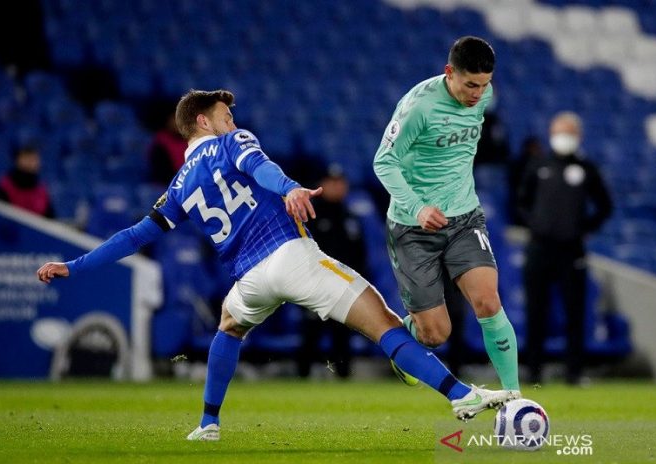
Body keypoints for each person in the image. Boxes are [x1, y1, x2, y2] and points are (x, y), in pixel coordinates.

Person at [37, 89, 516, 442]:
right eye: (225, 114)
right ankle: (460, 395)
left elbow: (135, 236)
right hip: (290, 257)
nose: (232, 119)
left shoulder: (179, 184)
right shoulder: (231, 142)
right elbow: (259, 165)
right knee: (385, 323)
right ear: (203, 121)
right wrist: (288, 187)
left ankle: (207, 424)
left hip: (249, 277)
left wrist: (74, 266)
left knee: (228, 327)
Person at [373, 36, 521, 395]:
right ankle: (406, 339)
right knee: (436, 333)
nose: (477, 94)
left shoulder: (485, 95)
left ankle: (515, 396)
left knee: (488, 301)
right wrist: (418, 207)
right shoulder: (418, 108)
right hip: (413, 226)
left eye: (484, 85)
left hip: (464, 217)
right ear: (448, 72)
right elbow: (383, 162)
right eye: (470, 84)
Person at [516, 111, 613, 385]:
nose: (563, 138)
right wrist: (534, 224)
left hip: (572, 251)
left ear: (578, 136)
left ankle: (574, 372)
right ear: (550, 133)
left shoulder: (586, 168)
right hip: (539, 249)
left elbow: (605, 205)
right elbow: (521, 201)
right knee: (536, 312)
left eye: (568, 132)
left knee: (574, 313)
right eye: (558, 132)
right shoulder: (538, 165)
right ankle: (533, 371)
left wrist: (584, 228)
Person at [297, 163, 365, 379]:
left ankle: (344, 379)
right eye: (332, 182)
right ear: (322, 184)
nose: (337, 186)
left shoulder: (350, 216)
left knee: (342, 335)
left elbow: (360, 255)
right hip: (315, 284)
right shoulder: (312, 214)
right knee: (311, 333)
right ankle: (302, 379)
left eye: (340, 182)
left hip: (344, 286)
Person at [0, 145, 55, 218]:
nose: (31, 162)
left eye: (34, 158)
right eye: (27, 157)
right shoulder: (3, 188)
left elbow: (51, 222)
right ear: (18, 159)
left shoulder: (43, 191)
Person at [148, 110, 188, 185]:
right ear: (168, 121)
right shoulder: (160, 141)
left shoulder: (191, 139)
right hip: (168, 184)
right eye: (174, 119)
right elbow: (160, 170)